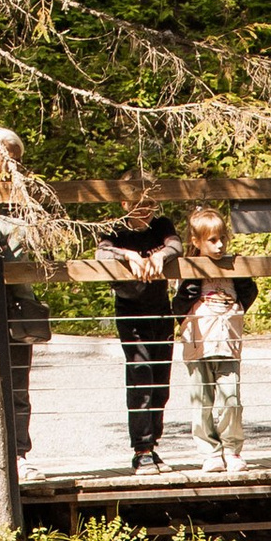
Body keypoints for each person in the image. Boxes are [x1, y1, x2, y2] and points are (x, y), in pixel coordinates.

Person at [0, 127, 54, 459]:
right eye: (7, 158)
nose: (13, 166)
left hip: (18, 305)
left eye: (17, 159)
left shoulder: (24, 199)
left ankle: (20, 453)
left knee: (19, 386)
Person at [92, 196, 181, 471]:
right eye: (138, 203)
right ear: (124, 204)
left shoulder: (161, 225)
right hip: (131, 311)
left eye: (150, 203)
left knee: (161, 382)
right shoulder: (115, 229)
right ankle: (141, 448)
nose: (145, 209)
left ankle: (153, 444)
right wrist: (128, 255)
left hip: (161, 311)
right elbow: (102, 253)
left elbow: (176, 245)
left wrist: (160, 256)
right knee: (140, 376)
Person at [173, 207, 257, 471]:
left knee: (231, 399)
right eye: (212, 240)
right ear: (196, 242)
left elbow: (248, 294)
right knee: (202, 401)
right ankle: (209, 451)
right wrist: (193, 280)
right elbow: (178, 307)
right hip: (199, 346)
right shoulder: (187, 269)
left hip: (228, 343)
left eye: (222, 239)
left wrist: (240, 282)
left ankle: (232, 449)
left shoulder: (233, 267)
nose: (220, 245)